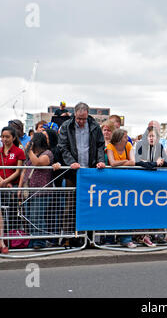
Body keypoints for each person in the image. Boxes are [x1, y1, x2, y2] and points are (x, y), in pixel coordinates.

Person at [57, 102, 106, 246]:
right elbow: (63, 147)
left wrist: (100, 161)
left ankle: (90, 238)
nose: (81, 122)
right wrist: (71, 162)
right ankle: (68, 237)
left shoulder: (94, 126)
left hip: (90, 172)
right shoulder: (66, 126)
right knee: (70, 206)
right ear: (74, 115)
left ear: (87, 115)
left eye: (83, 119)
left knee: (90, 206)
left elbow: (99, 145)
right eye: (79, 118)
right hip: (73, 172)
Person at [17, 133, 54, 249]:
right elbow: (24, 171)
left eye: (32, 141)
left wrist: (28, 150)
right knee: (29, 217)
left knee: (37, 216)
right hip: (29, 191)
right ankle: (33, 239)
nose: (30, 142)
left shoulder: (47, 154)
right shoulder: (31, 155)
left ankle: (40, 241)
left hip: (41, 192)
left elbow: (38, 163)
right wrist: (20, 188)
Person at [0, 126, 26, 231]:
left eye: (7, 137)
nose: (4, 139)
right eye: (2, 137)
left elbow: (18, 171)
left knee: (12, 212)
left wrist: (6, 181)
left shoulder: (19, 151)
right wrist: (2, 181)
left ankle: (12, 234)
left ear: (14, 138)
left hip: (13, 186)